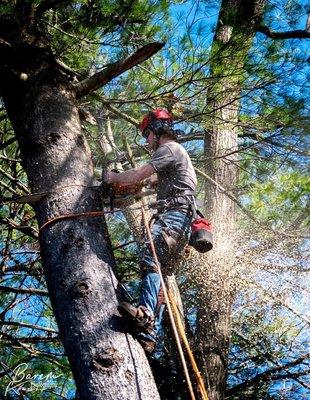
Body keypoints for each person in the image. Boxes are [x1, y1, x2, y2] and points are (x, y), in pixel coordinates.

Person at [106, 109, 197, 353]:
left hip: (174, 217)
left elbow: (138, 174)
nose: (146, 140)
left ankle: (145, 313)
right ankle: (149, 331)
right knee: (159, 272)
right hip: (182, 222)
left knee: (150, 258)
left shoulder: (169, 149)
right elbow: (147, 181)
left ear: (157, 130)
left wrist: (113, 177)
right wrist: (130, 186)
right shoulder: (176, 158)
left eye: (147, 134)